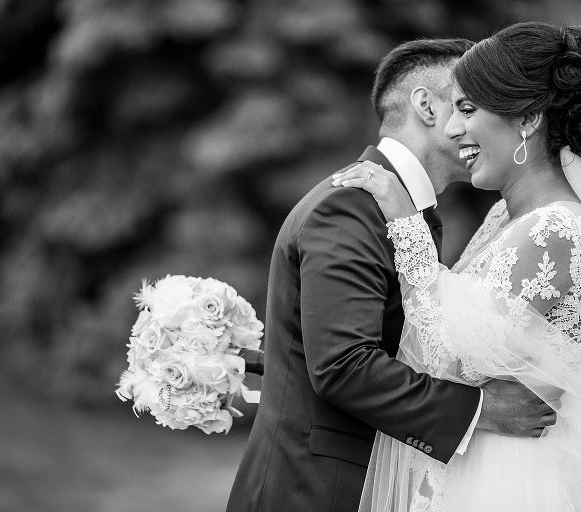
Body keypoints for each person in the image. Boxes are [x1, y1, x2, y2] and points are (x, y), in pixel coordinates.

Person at [336, 22, 581, 512]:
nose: (452, 129)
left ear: (528, 118)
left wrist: (405, 224)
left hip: (514, 479)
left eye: (467, 110)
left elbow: (445, 350)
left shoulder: (557, 228)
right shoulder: (508, 219)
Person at [226, 39, 557, 512]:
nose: (476, 124)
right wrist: (483, 409)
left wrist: (256, 360)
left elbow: (347, 342)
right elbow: (343, 365)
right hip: (315, 490)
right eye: (465, 105)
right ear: (425, 105)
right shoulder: (352, 206)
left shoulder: (406, 213)